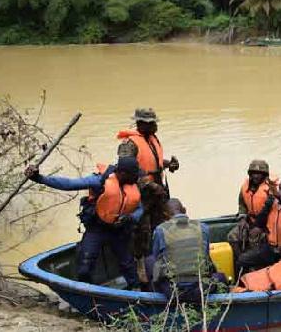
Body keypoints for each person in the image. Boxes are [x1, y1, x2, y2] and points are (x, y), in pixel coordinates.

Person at [25, 157, 144, 288]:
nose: (137, 178)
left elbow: (140, 208)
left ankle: (136, 289)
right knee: (85, 264)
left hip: (120, 230)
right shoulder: (99, 180)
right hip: (97, 228)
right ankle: (86, 290)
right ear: (123, 174)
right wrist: (39, 178)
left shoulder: (132, 185)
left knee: (127, 263)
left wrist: (131, 217)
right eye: (134, 175)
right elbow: (69, 184)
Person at [117, 108, 180, 280]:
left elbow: (154, 162)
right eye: (151, 123)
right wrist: (150, 185)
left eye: (155, 122)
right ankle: (142, 271)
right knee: (142, 232)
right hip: (141, 195)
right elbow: (125, 171)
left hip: (158, 193)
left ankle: (165, 263)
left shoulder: (152, 139)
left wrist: (169, 164)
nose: (155, 126)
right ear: (140, 124)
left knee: (164, 227)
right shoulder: (128, 145)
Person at [147, 198, 225, 301]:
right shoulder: (202, 227)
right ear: (184, 210)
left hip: (174, 292)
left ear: (165, 215)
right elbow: (205, 258)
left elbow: (158, 261)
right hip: (200, 289)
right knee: (221, 277)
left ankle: (154, 300)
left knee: (149, 261)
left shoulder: (160, 230)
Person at [236, 178, 281, 272]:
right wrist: (257, 227)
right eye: (280, 189)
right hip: (272, 248)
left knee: (280, 273)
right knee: (242, 259)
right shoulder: (273, 200)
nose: (280, 192)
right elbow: (261, 218)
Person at [227, 160, 277, 260]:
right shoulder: (245, 186)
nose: (256, 176)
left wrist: (260, 227)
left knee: (255, 241)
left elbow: (274, 212)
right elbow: (242, 205)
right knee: (232, 236)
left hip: (267, 225)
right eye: (254, 173)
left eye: (259, 174)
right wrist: (242, 219)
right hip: (250, 221)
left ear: (265, 175)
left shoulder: (271, 189)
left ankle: (254, 265)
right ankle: (240, 260)